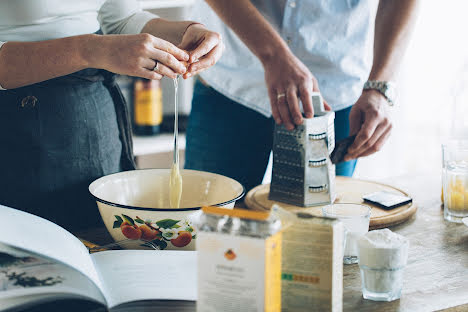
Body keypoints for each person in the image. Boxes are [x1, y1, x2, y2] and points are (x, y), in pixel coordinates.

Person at [0, 0, 223, 231]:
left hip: (94, 114)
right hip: (15, 129)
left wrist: (186, 33)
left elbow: (122, 19)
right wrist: (91, 49)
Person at [185, 0, 419, 192]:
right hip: (233, 76)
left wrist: (380, 86)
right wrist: (273, 54)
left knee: (322, 232)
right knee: (206, 226)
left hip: (334, 89)